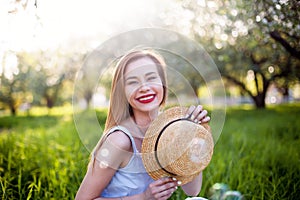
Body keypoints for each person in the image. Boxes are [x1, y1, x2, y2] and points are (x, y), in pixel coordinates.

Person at [75, 49, 211, 200]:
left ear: (163, 84)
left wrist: (193, 137)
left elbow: (192, 191)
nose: (144, 87)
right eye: (133, 82)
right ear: (122, 91)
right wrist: (144, 197)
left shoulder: (171, 130)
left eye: (151, 78)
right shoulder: (119, 141)